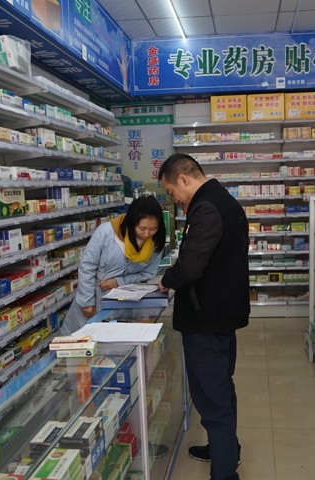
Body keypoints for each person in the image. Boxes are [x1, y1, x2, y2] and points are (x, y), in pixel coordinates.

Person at [157, 153, 249, 480]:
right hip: (221, 314)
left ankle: (225, 474)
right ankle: (224, 449)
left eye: (172, 192)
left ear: (183, 178)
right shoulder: (224, 201)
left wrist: (166, 280)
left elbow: (192, 265)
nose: (175, 199)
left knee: (212, 397)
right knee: (221, 387)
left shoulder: (206, 207)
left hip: (207, 319)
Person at [60, 195, 166, 335]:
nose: (147, 234)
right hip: (94, 297)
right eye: (142, 228)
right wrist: (86, 302)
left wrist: (120, 281)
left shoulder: (156, 243)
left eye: (153, 229)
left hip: (125, 303)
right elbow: (87, 266)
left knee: (114, 341)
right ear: (131, 222)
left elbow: (147, 273)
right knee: (79, 339)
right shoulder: (106, 232)